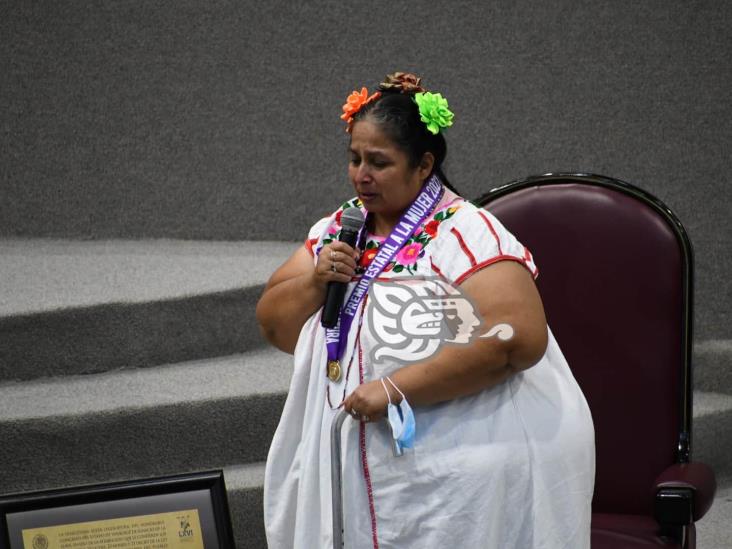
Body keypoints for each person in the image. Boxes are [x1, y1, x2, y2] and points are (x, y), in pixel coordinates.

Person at [256, 72, 595, 548]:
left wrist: (396, 388)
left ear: (424, 165)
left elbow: (517, 339)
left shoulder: (467, 233)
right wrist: (316, 282)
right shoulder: (340, 227)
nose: (361, 175)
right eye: (354, 159)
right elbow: (274, 323)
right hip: (354, 450)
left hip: (464, 455)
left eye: (379, 162)